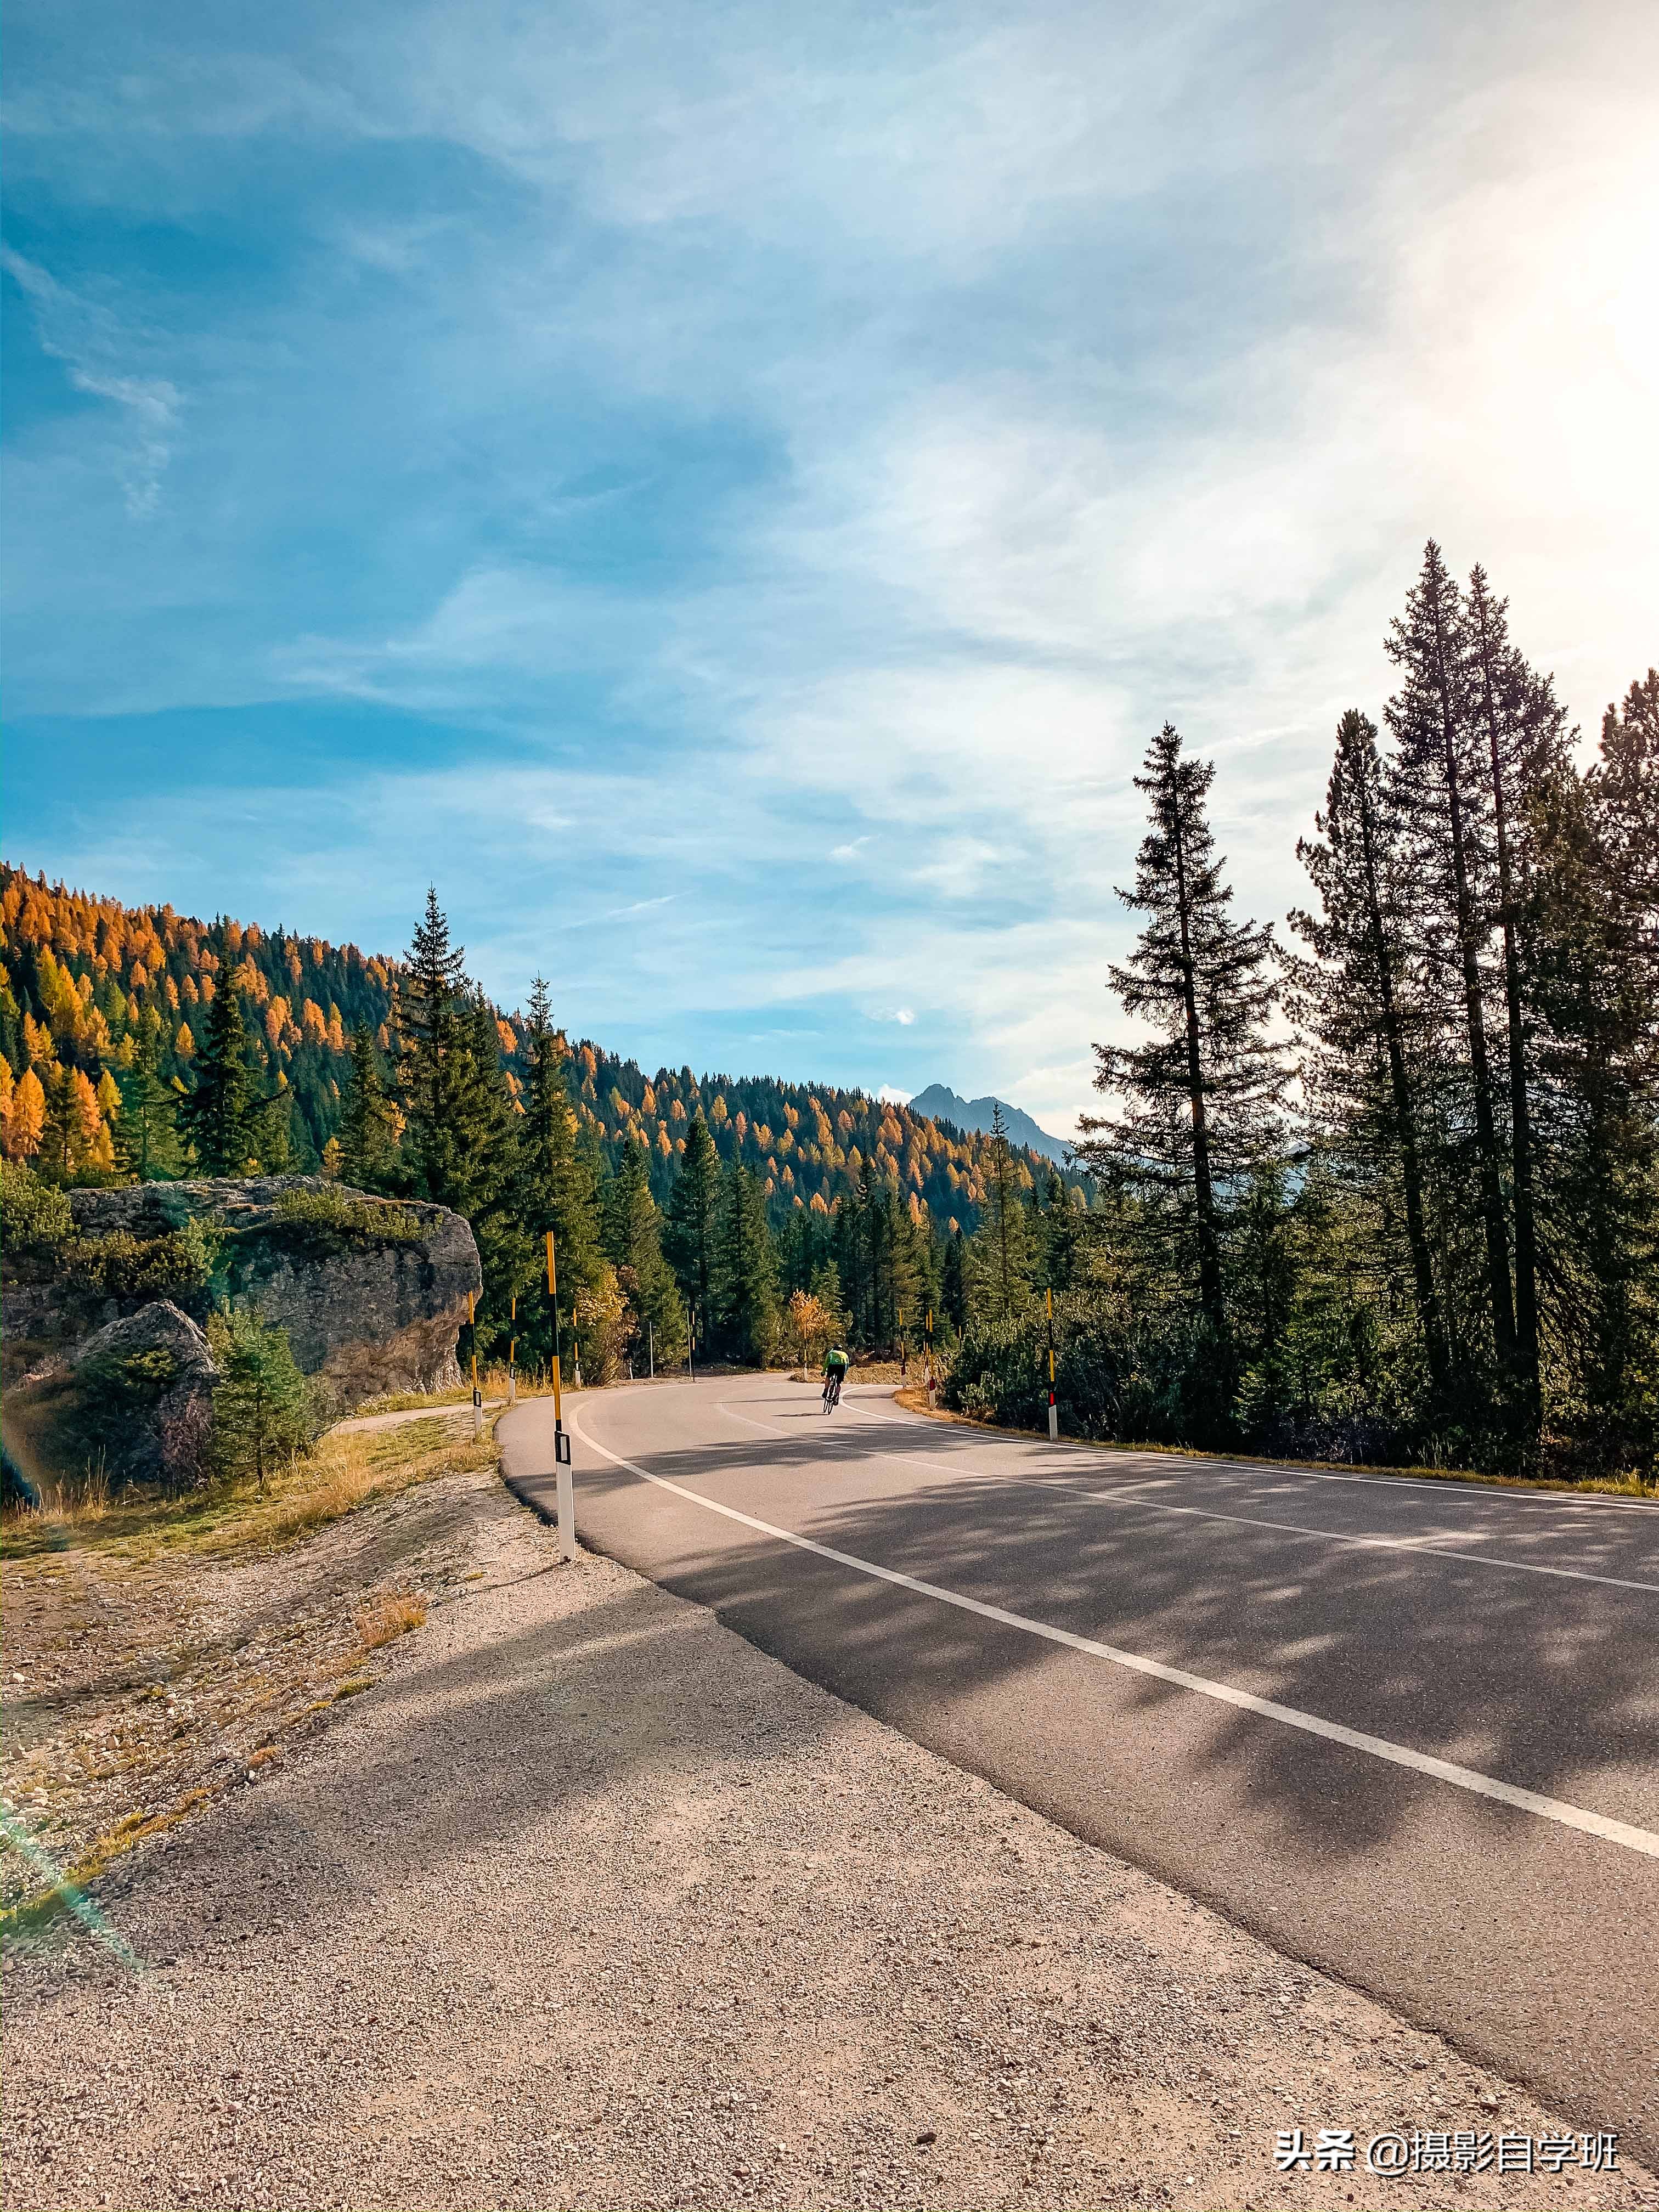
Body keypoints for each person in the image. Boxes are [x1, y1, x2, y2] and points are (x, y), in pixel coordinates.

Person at [821, 1343, 849, 1412]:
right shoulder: (845, 1354)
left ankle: (826, 1390)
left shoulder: (831, 1353)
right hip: (842, 1367)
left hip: (833, 1366)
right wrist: (844, 1374)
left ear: (834, 1348)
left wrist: (823, 1372)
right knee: (839, 1383)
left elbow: (826, 1363)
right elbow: (847, 1365)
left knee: (828, 1377)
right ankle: (837, 1395)